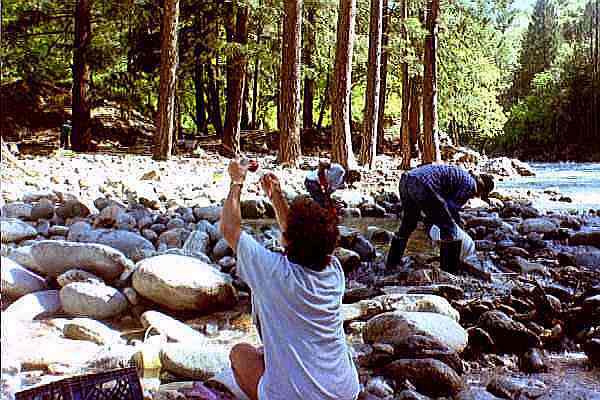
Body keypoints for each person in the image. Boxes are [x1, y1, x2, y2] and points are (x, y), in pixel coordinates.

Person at [220, 159, 360, 400]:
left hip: (294, 396)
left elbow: (230, 229)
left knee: (240, 354)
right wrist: (275, 196)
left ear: (289, 241)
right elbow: (299, 235)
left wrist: (236, 181)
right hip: (345, 391)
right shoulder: (334, 271)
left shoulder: (274, 273)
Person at [386, 164, 494, 272]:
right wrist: (456, 226)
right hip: (423, 184)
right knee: (448, 228)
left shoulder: (462, 176)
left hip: (406, 180)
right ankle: (449, 271)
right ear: (481, 189)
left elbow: (443, 207)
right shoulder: (471, 185)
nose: (474, 196)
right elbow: (450, 209)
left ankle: (391, 264)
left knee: (408, 225)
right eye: (480, 194)